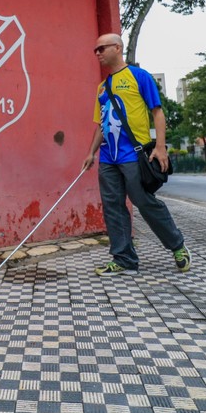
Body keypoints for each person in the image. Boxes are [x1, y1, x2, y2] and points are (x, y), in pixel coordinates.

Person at [81, 33, 191, 276]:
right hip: (108, 157)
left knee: (143, 201)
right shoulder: (102, 88)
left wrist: (160, 147)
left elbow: (157, 112)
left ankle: (177, 245)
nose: (97, 53)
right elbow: (101, 125)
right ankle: (124, 259)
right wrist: (91, 153)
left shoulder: (139, 76)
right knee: (113, 207)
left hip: (134, 154)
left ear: (117, 47)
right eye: (95, 50)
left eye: (101, 48)